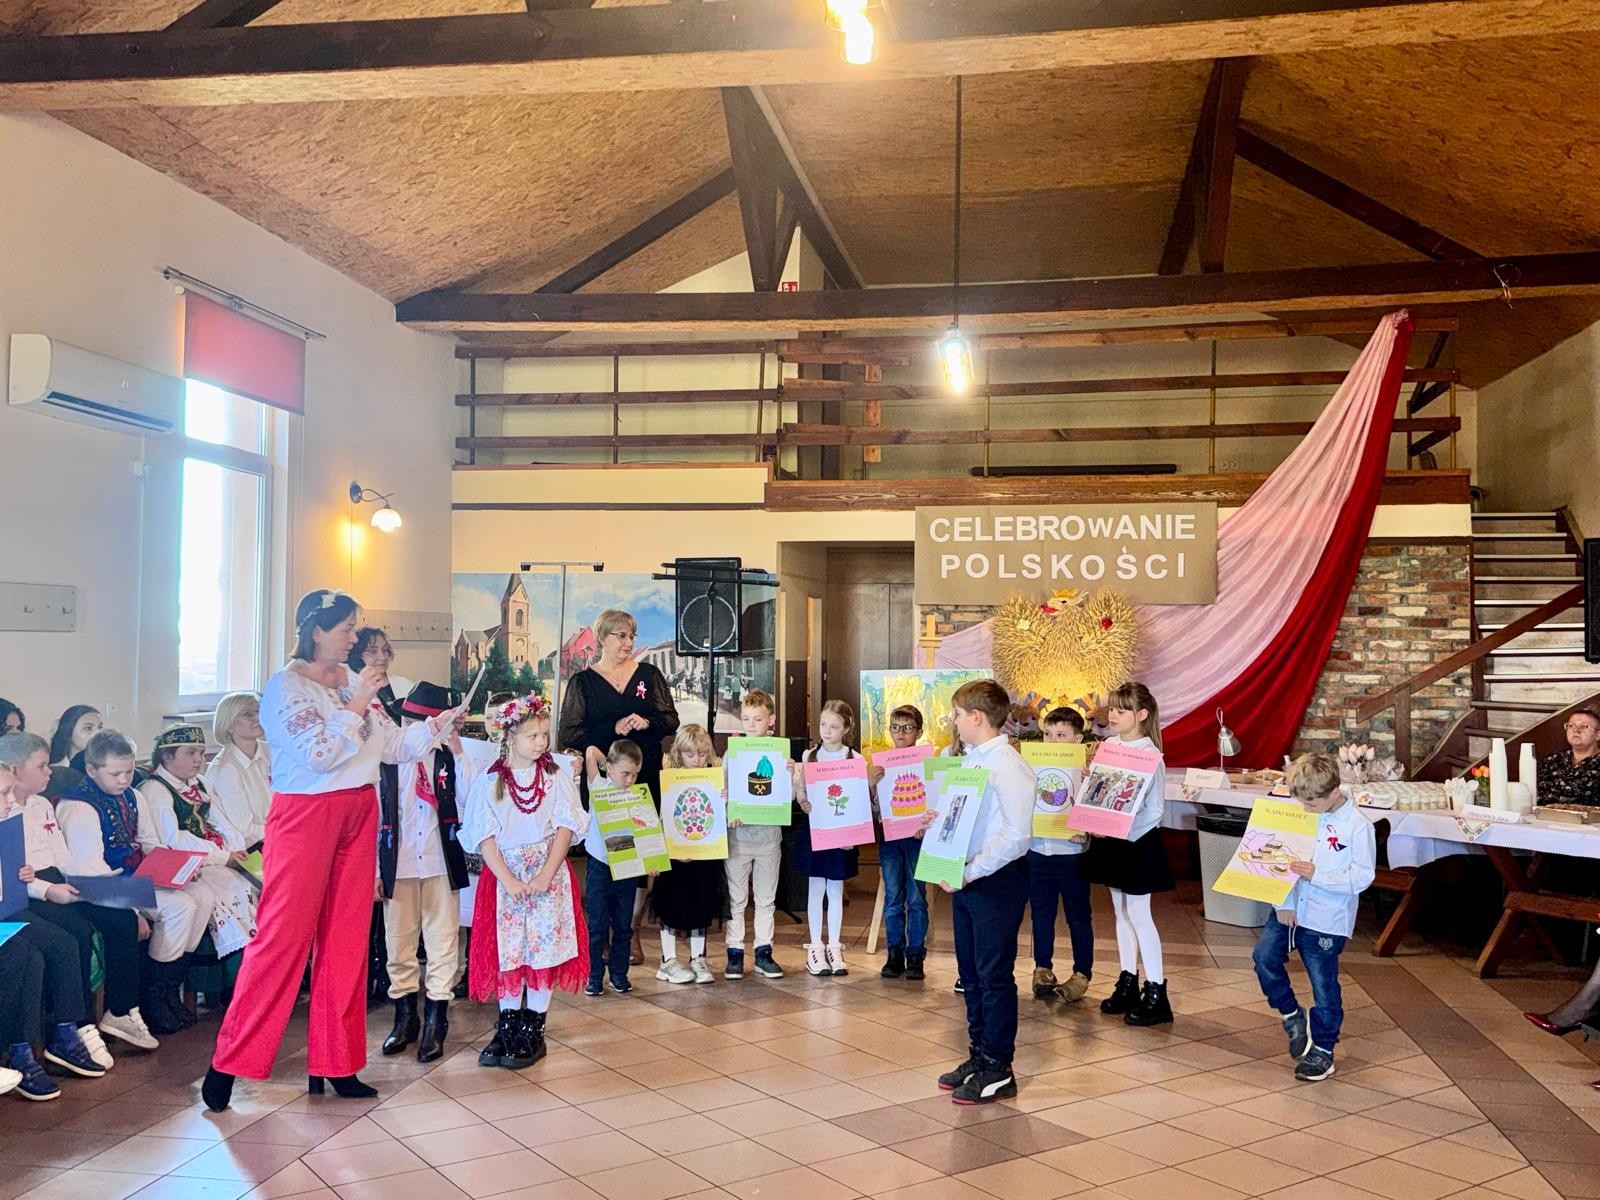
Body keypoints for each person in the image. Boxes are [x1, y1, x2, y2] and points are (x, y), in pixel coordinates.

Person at [201, 589, 462, 1113]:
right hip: (306, 815)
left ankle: (337, 1062)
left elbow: (392, 748)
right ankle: (229, 1062)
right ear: (316, 632)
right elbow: (319, 754)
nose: (354, 638)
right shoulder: (285, 686)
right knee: (281, 939)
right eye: (346, 628)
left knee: (346, 940)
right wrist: (358, 701)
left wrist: (437, 727)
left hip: (359, 810)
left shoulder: (349, 679)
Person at [1, 730, 155, 1057]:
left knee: (121, 917)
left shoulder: (42, 804)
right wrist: (49, 890)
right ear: (14, 770)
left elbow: (62, 855)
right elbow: (14, 875)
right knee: (76, 933)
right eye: (41, 766)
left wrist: (94, 882)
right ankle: (77, 1024)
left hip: (58, 879)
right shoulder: (7, 811)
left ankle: (120, 1010)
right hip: (31, 890)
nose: (49, 772)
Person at [57, 730, 215, 1036]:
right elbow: (91, 871)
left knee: (201, 895)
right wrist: (132, 910)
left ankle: (168, 987)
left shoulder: (133, 796)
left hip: (133, 878)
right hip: (101, 886)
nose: (123, 780)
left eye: (129, 772)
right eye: (115, 774)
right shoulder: (79, 806)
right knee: (179, 906)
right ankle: (151, 996)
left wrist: (178, 867)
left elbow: (149, 843)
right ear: (91, 769)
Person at [462, 693, 587, 1069]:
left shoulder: (553, 776)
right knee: (510, 950)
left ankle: (534, 1026)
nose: (541, 742)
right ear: (510, 737)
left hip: (545, 873)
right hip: (507, 878)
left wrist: (546, 873)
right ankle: (508, 1023)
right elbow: (483, 835)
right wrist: (508, 879)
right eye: (532, 736)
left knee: (541, 950)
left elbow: (565, 826)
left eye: (544, 735)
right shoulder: (490, 781)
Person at [928, 679, 1033, 1105]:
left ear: (976, 717)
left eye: (957, 714)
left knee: (993, 976)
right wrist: (937, 823)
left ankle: (999, 1066)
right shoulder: (972, 760)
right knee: (970, 973)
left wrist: (971, 871)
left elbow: (1016, 836)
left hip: (995, 880)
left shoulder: (1007, 764)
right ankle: (979, 1053)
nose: (953, 722)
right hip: (967, 877)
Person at [380, 682, 494, 1063]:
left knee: (442, 942)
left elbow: (474, 798)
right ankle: (404, 1017)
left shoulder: (449, 759)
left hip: (440, 862)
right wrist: (376, 869)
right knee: (399, 943)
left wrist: (457, 747)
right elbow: (376, 816)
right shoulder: (389, 761)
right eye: (413, 722)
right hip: (398, 863)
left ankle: (436, 1019)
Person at [560, 610, 680, 967]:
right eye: (621, 636)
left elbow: (670, 719)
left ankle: (631, 930)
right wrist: (612, 729)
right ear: (603, 639)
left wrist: (647, 721)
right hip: (604, 781)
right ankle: (602, 931)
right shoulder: (583, 682)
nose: (628, 643)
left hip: (643, 778)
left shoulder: (649, 675)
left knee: (639, 855)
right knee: (607, 854)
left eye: (631, 636)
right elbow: (570, 733)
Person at [1252, 752, 1376, 1082]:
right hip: (1289, 908)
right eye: (1301, 802)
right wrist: (1283, 902)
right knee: (1264, 958)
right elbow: (1280, 859)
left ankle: (1323, 1049)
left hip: (1326, 917)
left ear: (1333, 793)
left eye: (1311, 804)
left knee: (1323, 984)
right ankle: (1291, 1013)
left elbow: (1362, 877)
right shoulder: (1299, 812)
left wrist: (1317, 874)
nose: (1305, 809)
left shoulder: (1357, 826)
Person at [0, 761, 106, 1098]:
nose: (10, 801)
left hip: (7, 910)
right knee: (23, 955)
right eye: (3, 793)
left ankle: (50, 1039)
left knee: (55, 945)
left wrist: (20, 877)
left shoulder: (7, 824)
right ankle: (17, 1050)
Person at [137, 724, 260, 985]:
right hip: (192, 863)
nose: (199, 759)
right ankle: (228, 980)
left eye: (202, 753)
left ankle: (265, 969)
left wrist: (235, 848)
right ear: (166, 755)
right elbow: (174, 840)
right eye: (190, 752)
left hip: (222, 854)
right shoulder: (155, 789)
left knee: (264, 880)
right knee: (232, 888)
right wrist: (222, 857)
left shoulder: (199, 782)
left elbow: (221, 820)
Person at [1085, 681, 1173, 1027]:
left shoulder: (1150, 754)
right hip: (1110, 839)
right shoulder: (1109, 745)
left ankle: (1157, 990)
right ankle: (1128, 980)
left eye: (1122, 710)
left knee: (1139, 913)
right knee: (1120, 912)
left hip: (1136, 842)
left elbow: (1155, 810)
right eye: (1112, 708)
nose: (1113, 715)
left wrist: (1122, 829)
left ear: (1142, 714)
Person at [793, 699, 862, 978]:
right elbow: (802, 791)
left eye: (834, 726)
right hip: (816, 832)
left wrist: (853, 834)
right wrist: (803, 802)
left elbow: (858, 800)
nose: (827, 731)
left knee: (835, 889)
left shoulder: (854, 759)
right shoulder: (810, 756)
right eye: (823, 725)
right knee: (815, 888)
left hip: (840, 836)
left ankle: (834, 945)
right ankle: (815, 947)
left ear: (846, 728)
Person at [1028, 707, 1093, 1004]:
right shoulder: (1031, 766)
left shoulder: (1086, 772)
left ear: (1078, 739)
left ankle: (1082, 973)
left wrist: (1085, 827)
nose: (1052, 741)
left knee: (1078, 915)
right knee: (1041, 914)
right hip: (1038, 849)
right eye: (1047, 734)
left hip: (1071, 852)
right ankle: (1042, 968)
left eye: (1061, 735)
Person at [651, 724, 725, 985]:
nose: (697, 760)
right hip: (675, 858)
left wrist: (723, 798)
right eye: (690, 754)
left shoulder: (713, 778)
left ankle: (698, 958)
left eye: (702, 754)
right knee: (670, 906)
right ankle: (667, 960)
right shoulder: (669, 779)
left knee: (701, 905)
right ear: (678, 754)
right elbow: (661, 819)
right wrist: (666, 851)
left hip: (704, 856)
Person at [724, 691, 788, 981]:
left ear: (771, 720)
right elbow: (724, 791)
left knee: (765, 899)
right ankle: (735, 952)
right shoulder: (732, 754)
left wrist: (791, 773)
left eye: (758, 719)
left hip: (769, 838)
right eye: (746, 719)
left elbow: (790, 794)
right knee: (736, 898)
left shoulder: (780, 753)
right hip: (738, 838)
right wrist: (728, 803)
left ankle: (764, 952)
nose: (751, 725)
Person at [866, 705, 930, 981]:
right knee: (893, 897)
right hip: (890, 838)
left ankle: (915, 954)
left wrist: (927, 824)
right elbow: (872, 809)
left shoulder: (926, 763)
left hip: (917, 839)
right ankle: (894, 952)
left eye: (907, 728)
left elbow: (934, 799)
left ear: (919, 732)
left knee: (916, 897)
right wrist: (871, 785)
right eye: (895, 727)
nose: (901, 733)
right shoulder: (880, 764)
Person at [583, 739, 647, 996]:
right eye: (625, 773)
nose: (630, 779)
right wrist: (608, 760)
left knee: (623, 924)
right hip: (600, 866)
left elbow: (645, 833)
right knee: (597, 925)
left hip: (626, 866)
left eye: (635, 774)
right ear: (609, 769)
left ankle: (619, 974)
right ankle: (594, 975)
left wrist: (650, 861)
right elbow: (591, 752)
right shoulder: (598, 787)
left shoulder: (637, 796)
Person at [205, 692, 271, 852]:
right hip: (252, 849)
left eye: (259, 712)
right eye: (248, 715)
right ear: (229, 726)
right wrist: (285, 832)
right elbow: (245, 830)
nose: (257, 718)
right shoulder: (224, 769)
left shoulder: (271, 751)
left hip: (279, 835)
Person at [1536, 709, 1600, 808]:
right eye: (1571, 726)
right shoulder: (1551, 761)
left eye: (1584, 726)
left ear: (1598, 734)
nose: (1576, 730)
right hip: (1546, 816)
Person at [350, 626, 413, 723]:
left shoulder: (406, 685)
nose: (383, 657)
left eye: (385, 650)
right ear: (357, 656)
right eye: (372, 651)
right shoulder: (351, 689)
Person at [44, 704, 102, 798]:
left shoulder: (105, 766)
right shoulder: (52, 772)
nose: (97, 734)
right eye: (88, 728)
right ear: (69, 732)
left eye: (100, 728)